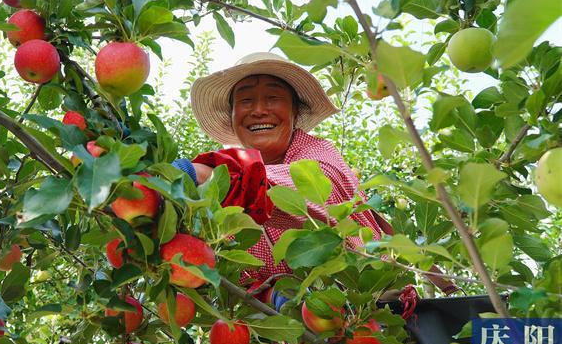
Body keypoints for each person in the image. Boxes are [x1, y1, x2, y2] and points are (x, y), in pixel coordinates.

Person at [172, 52, 457, 295]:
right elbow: (245, 284)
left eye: (272, 98)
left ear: (296, 111)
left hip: (378, 329)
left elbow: (291, 191)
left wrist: (204, 175)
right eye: (245, 101)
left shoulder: (321, 159)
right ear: (232, 117)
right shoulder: (229, 215)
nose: (259, 110)